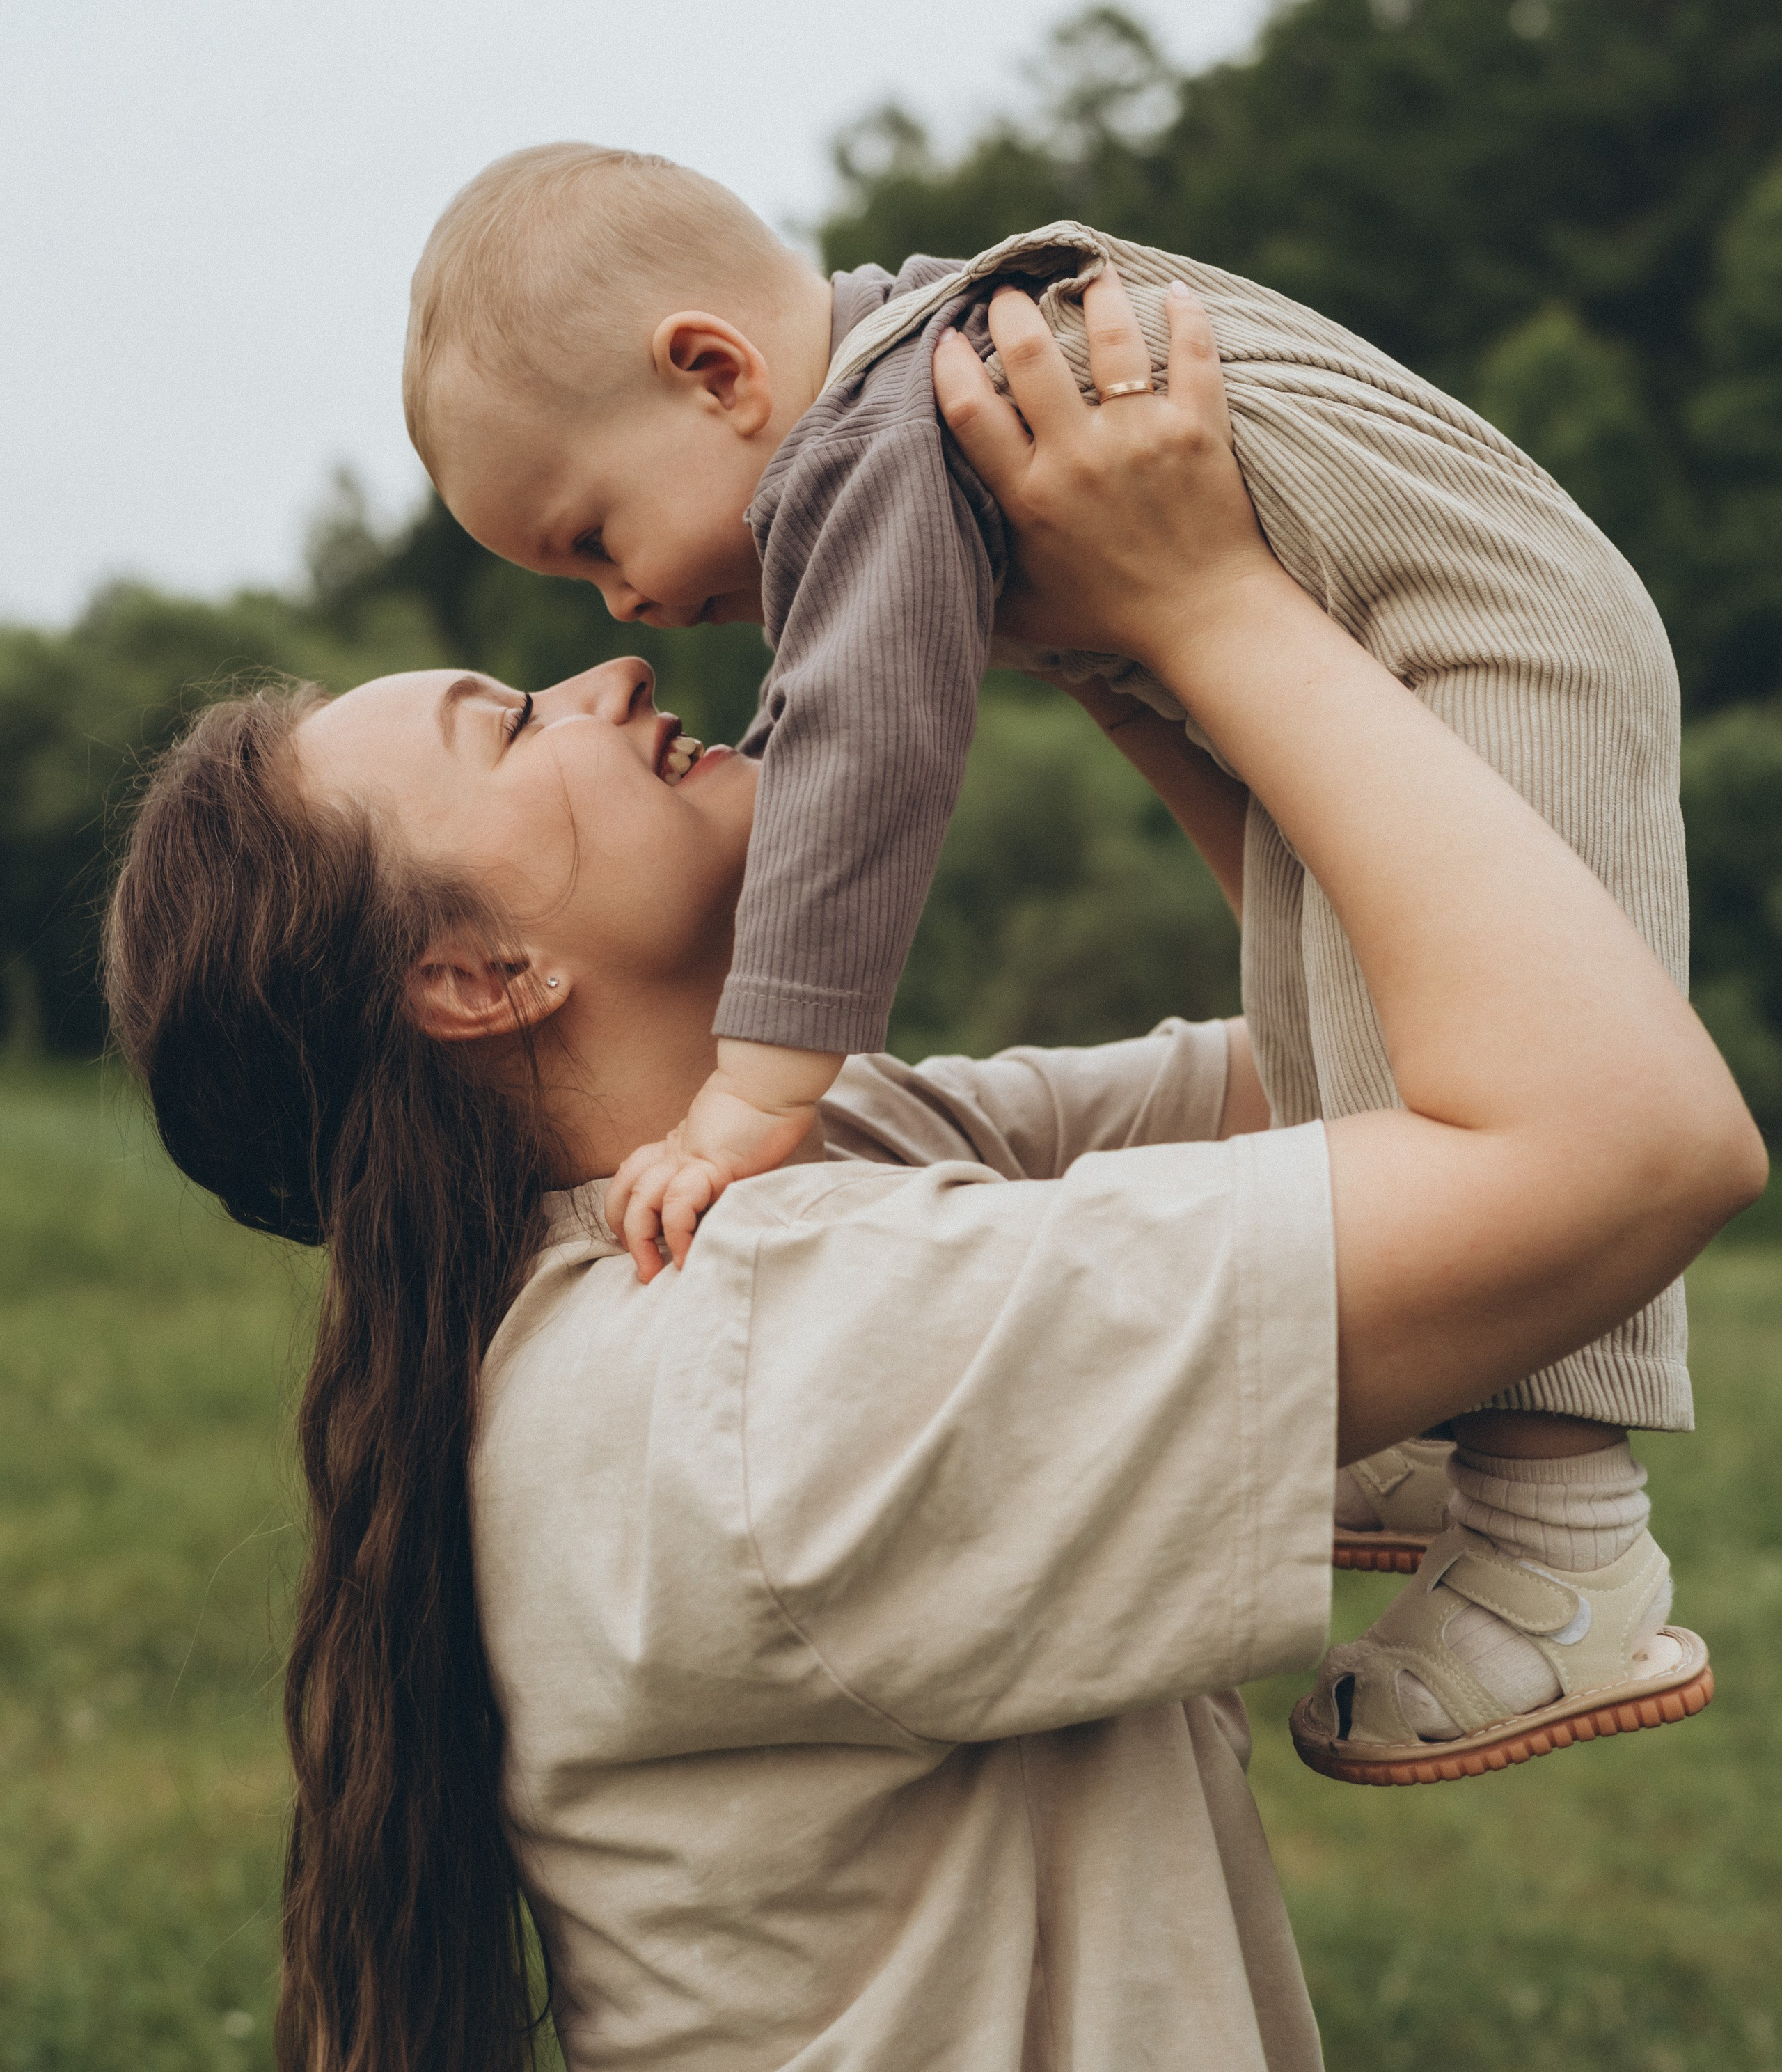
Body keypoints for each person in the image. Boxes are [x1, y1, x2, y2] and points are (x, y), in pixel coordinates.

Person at [105, 278, 1760, 2072]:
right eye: (513, 721)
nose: (610, 668)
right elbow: (1620, 1135)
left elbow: (1383, 1049)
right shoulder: (758, 1361)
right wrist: (1210, 603)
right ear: (480, 980)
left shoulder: (828, 1170)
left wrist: (1114, 659)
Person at [400, 141, 1699, 1766]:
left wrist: (755, 1093)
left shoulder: (864, 441)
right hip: (1437, 622)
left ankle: (1560, 1545)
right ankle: (1425, 1388)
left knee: (1450, 1052)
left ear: (714, 372)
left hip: (1490, 638)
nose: (624, 613)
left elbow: (853, 754)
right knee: (1321, 998)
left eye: (594, 535)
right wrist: (1147, 651)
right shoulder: (928, 390)